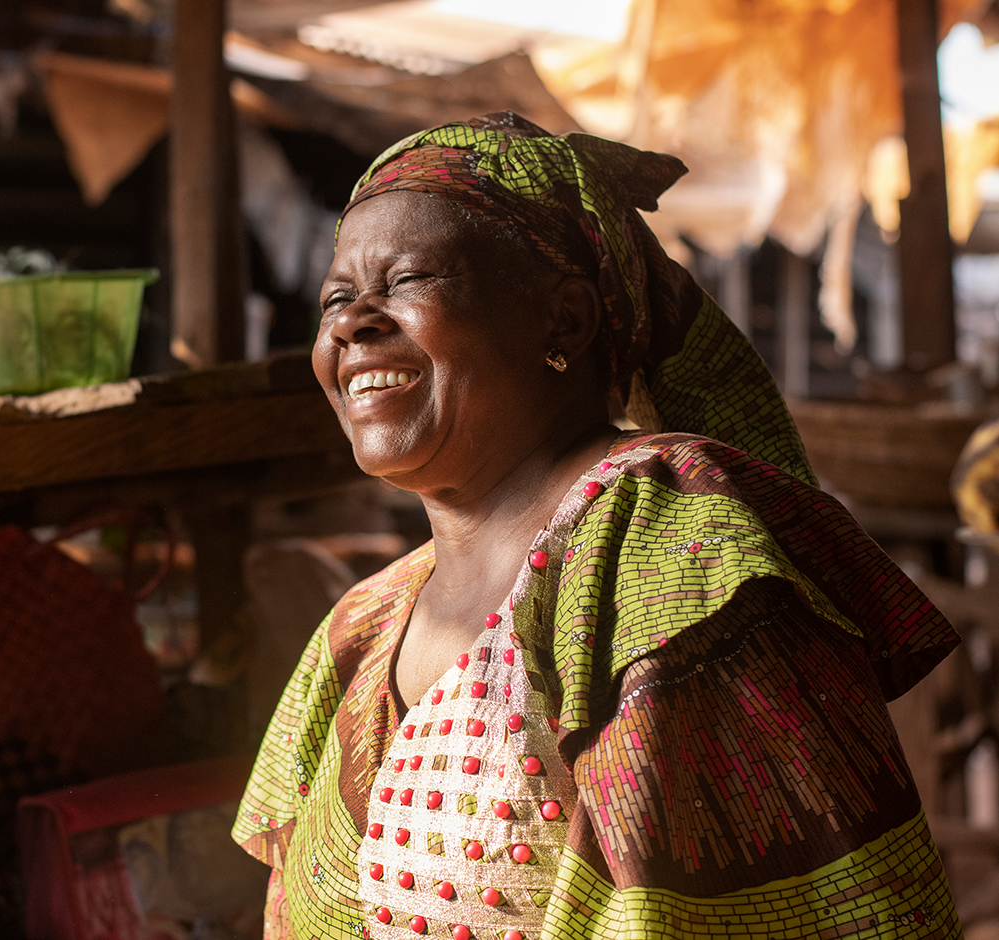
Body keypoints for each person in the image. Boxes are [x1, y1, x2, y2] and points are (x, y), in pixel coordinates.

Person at [231, 112, 962, 939]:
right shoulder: (362, 625)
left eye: (404, 282)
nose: (351, 322)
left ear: (564, 321)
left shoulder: (666, 541)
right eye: (337, 296)